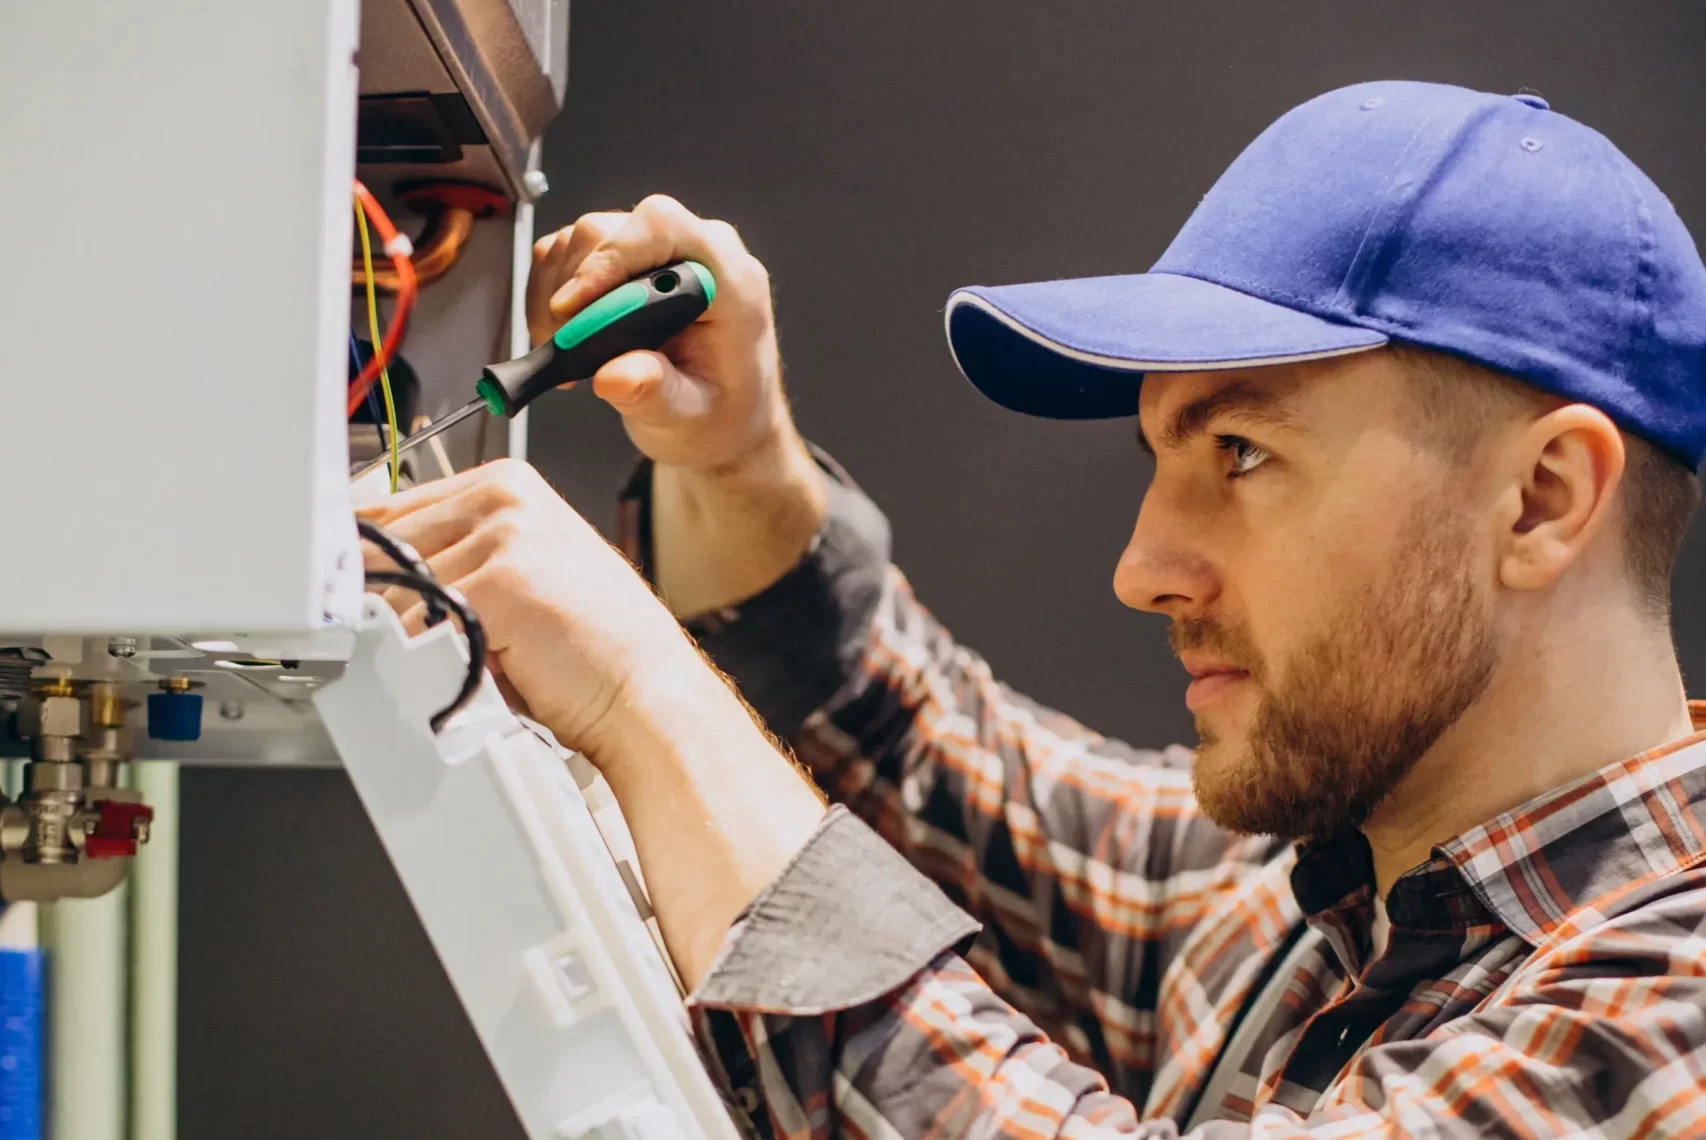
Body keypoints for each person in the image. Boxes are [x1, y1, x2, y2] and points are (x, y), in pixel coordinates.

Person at [361, 80, 1706, 1138]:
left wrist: (643, 698)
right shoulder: (1329, 899)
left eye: (1242, 455)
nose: (1141, 568)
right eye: (1160, 462)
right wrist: (738, 466)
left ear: (1539, 501)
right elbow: (947, 776)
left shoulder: (1668, 1016)